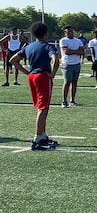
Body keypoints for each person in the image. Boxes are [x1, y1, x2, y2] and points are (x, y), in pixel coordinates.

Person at [10, 22, 60, 150]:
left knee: (41, 106)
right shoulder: (47, 46)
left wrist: (26, 72)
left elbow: (13, 60)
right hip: (42, 76)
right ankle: (37, 139)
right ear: (46, 34)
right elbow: (55, 59)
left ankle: (43, 135)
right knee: (43, 108)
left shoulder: (29, 46)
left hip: (32, 77)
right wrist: (52, 74)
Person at [59, 25, 84, 108]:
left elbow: (82, 52)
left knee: (74, 82)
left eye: (71, 31)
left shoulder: (78, 41)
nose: (70, 33)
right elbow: (66, 52)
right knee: (67, 82)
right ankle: (64, 101)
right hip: (67, 63)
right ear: (65, 33)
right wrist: (76, 51)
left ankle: (72, 100)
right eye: (68, 31)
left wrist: (73, 51)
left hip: (76, 64)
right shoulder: (63, 40)